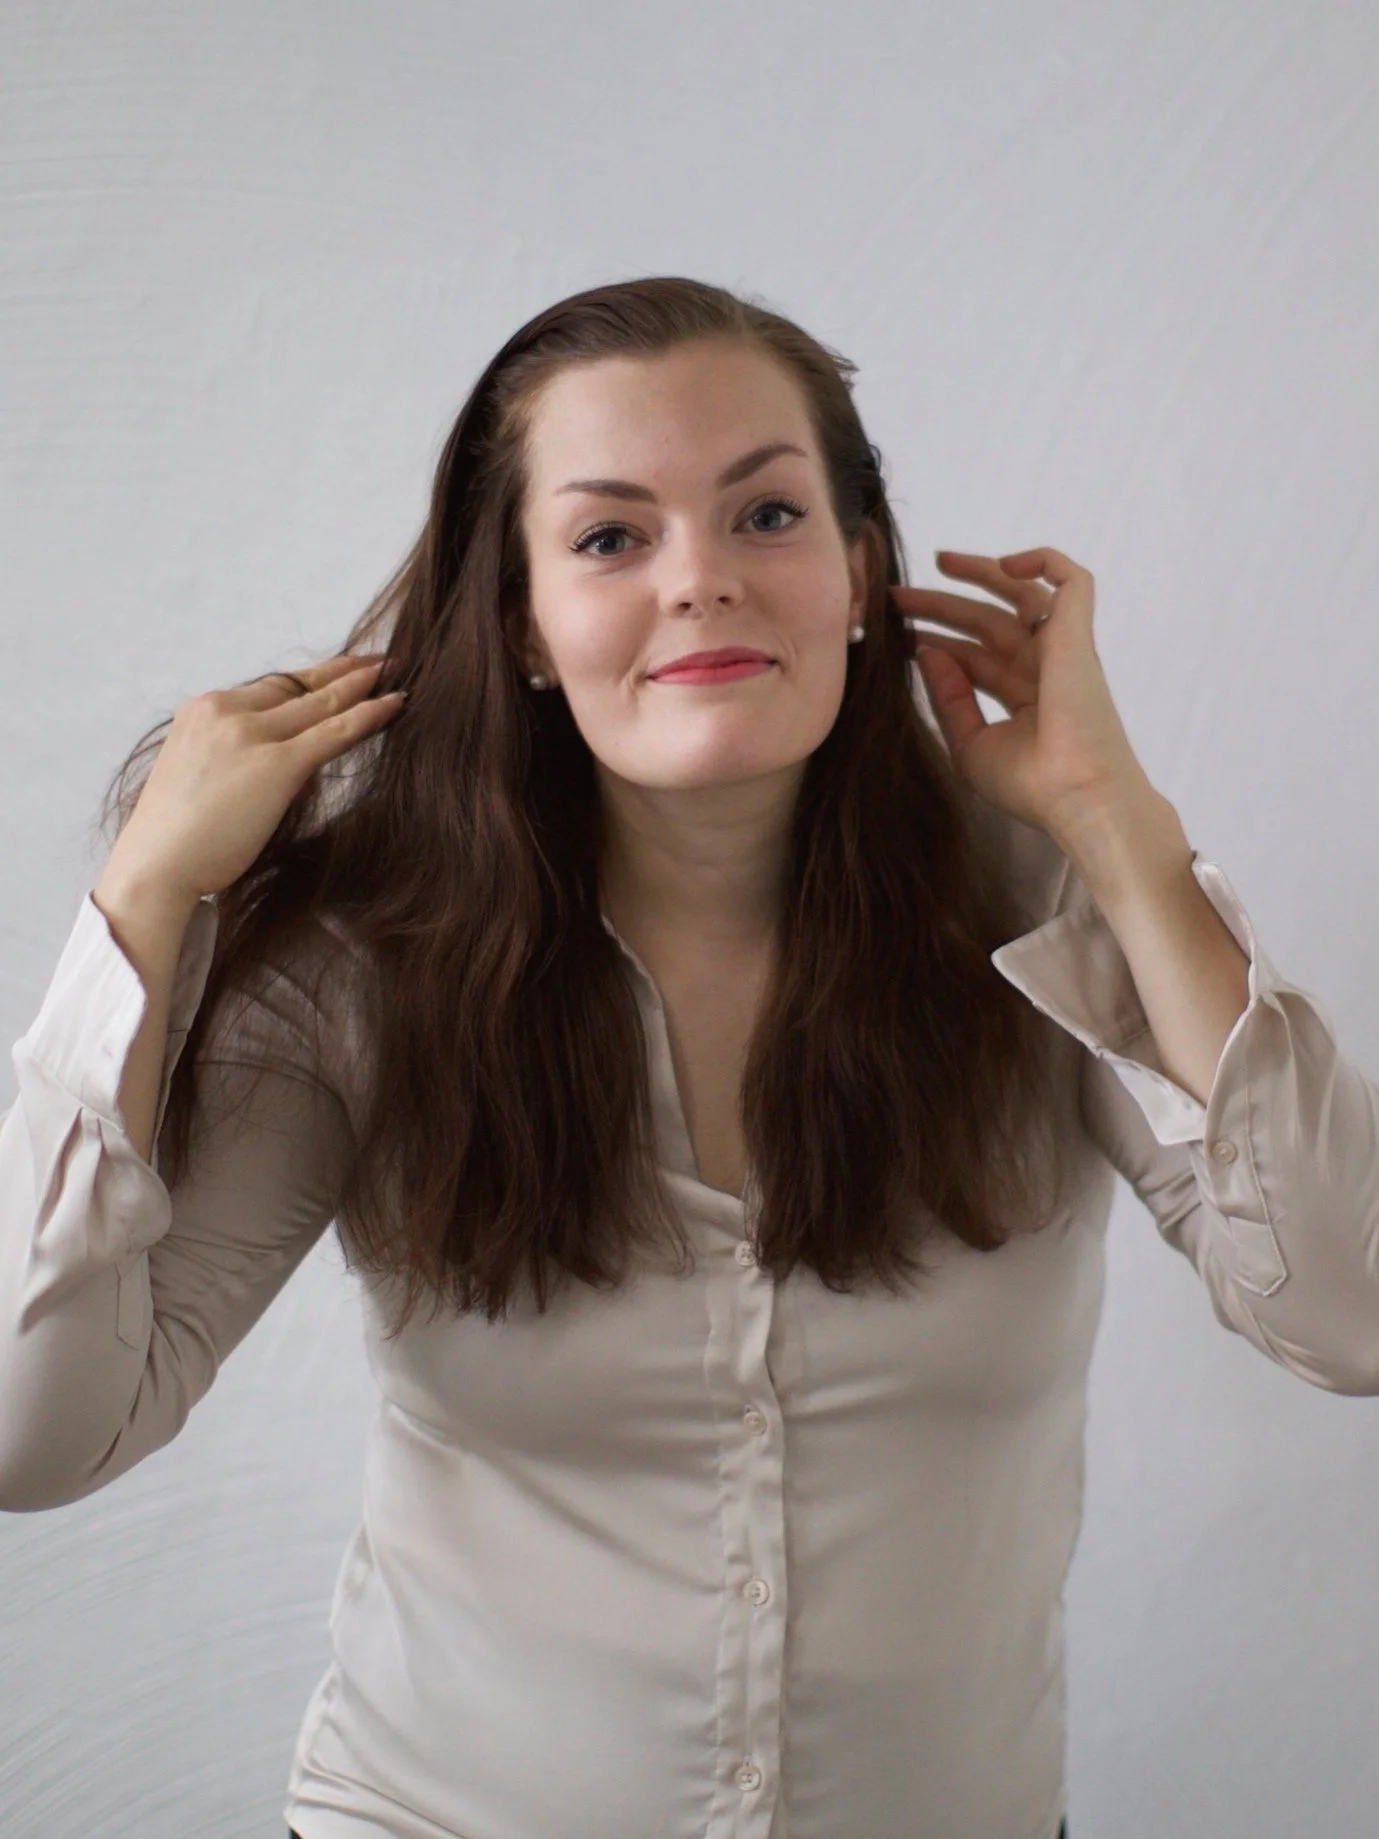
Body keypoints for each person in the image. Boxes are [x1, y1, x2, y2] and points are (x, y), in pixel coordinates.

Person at [2, 275, 1377, 1839]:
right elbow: (37, 1429)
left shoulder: (1043, 907)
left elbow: (1346, 1307)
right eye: (608, 536)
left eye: (765, 516)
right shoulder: (359, 965)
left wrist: (1117, 829)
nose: (700, 582)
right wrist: (141, 902)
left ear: (862, 574)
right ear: (519, 620)